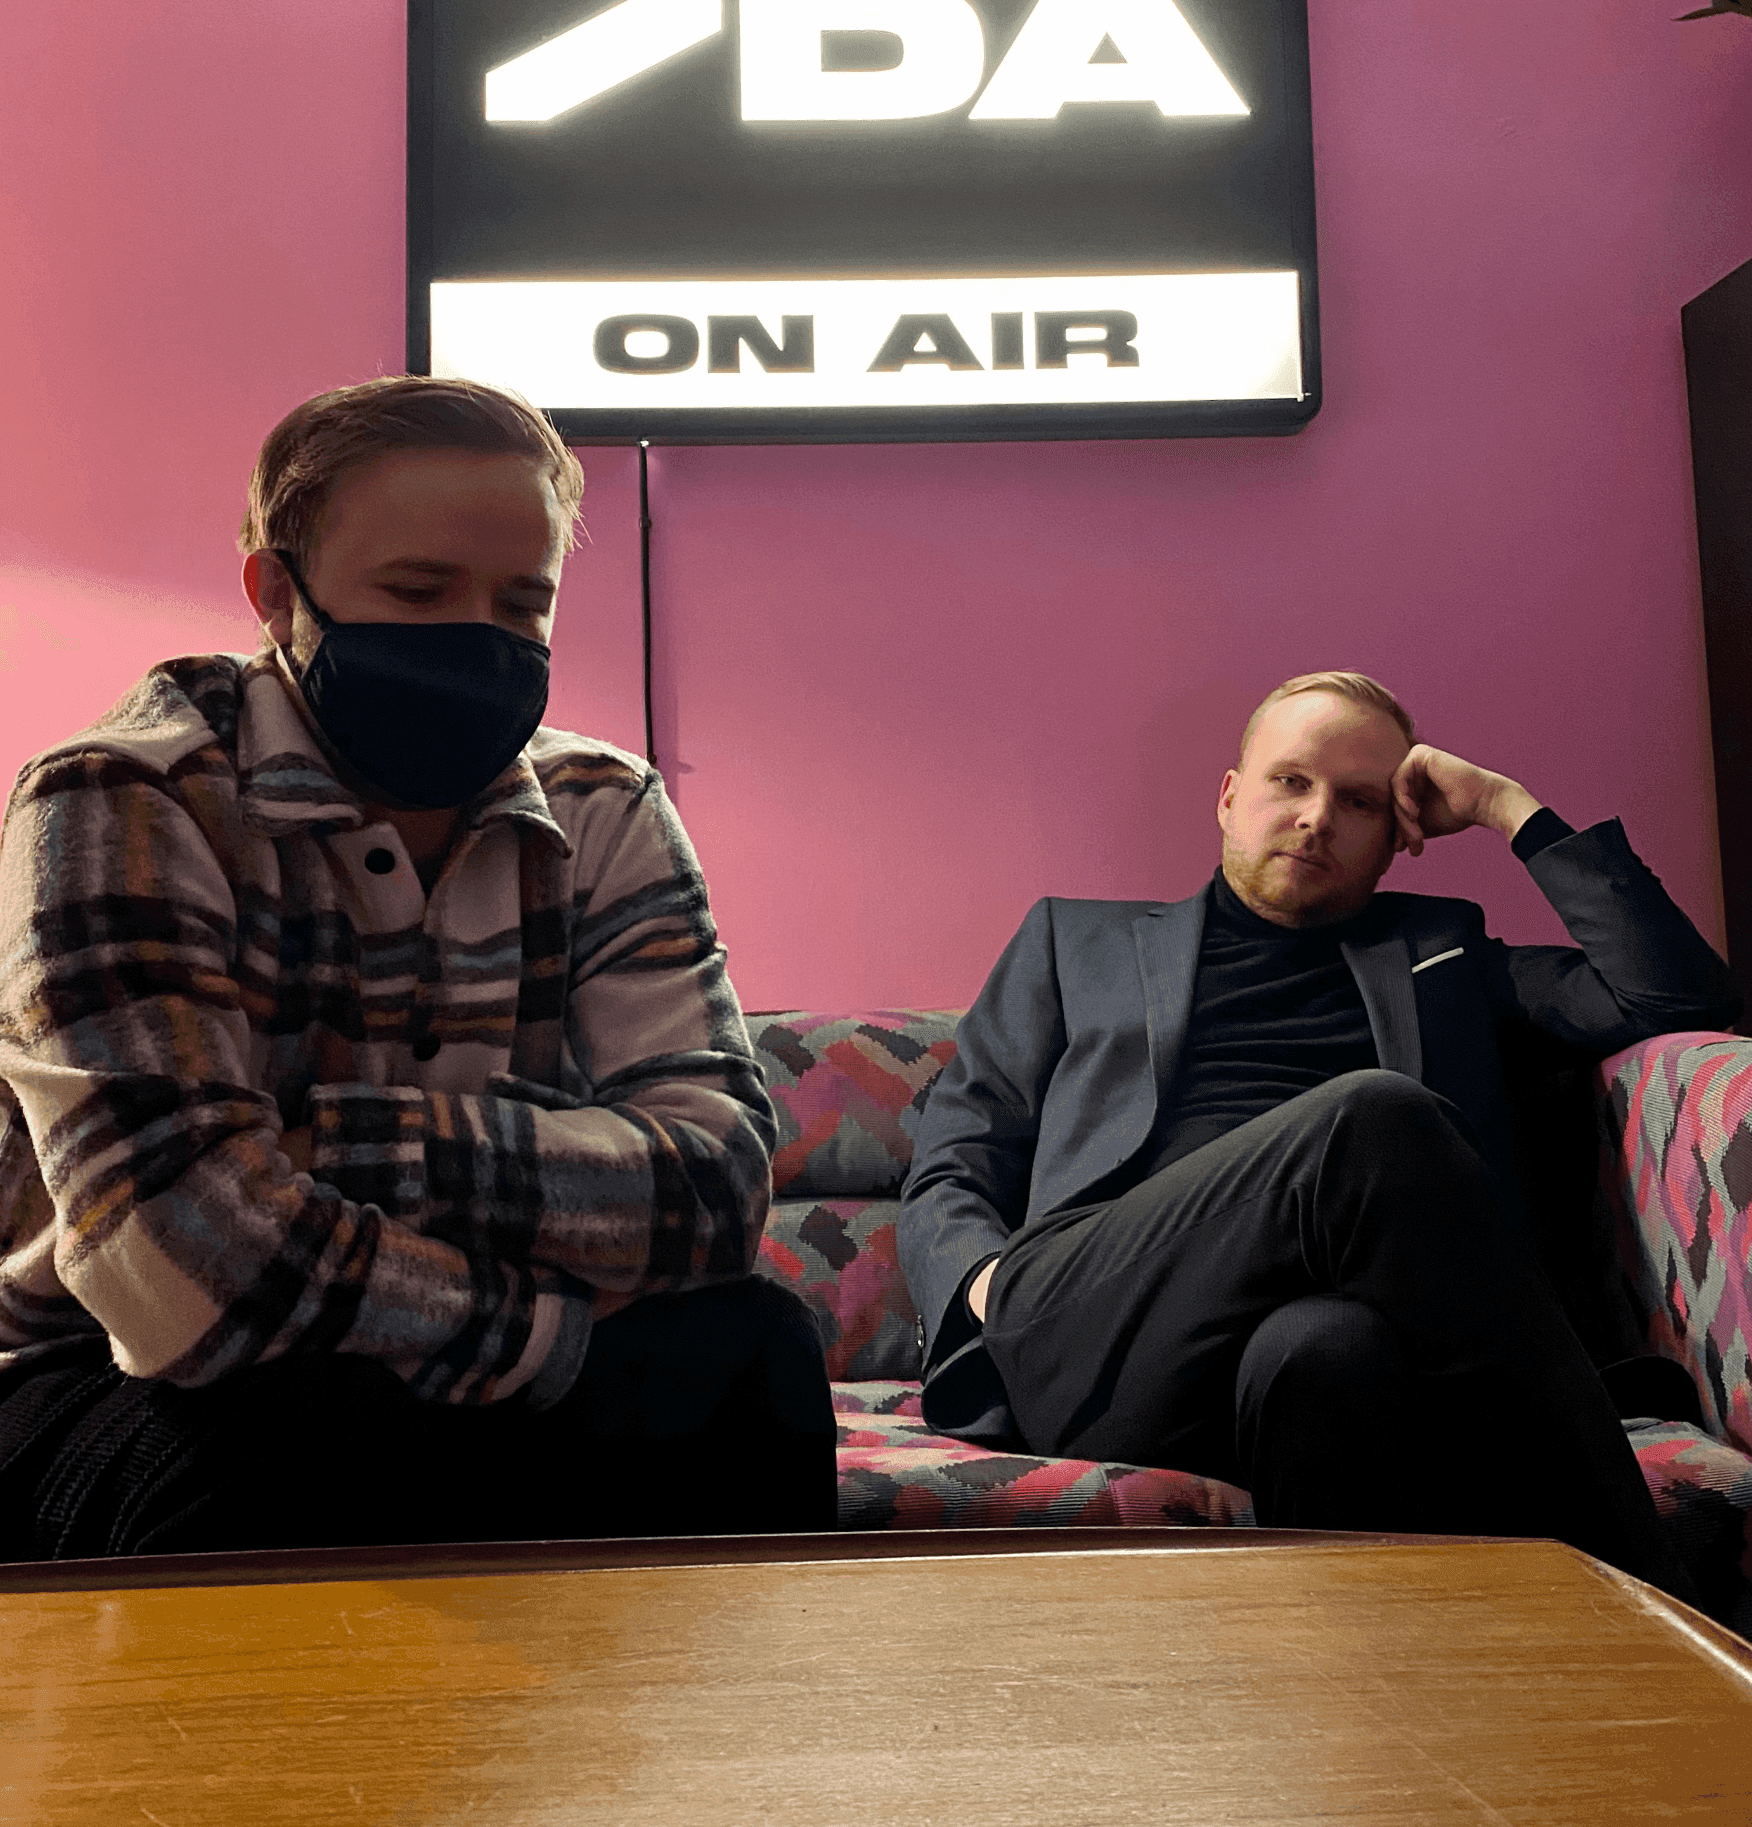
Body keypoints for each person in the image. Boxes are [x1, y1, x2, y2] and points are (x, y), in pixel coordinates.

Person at [0, 375, 836, 1559]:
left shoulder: (606, 805)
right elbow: (183, 1274)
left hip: (362, 1335)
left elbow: (718, 1191)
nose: (476, 636)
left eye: (521, 600)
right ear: (277, 592)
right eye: (418, 591)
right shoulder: (120, 794)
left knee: (753, 1350)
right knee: (303, 1432)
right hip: (110, 1372)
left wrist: (335, 1148)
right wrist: (551, 1325)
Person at [898, 671, 1739, 1603]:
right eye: (1290, 782)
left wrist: (1508, 809)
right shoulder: (1073, 942)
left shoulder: (1444, 954)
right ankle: (1649, 1606)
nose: (1316, 818)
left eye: (1359, 802)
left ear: (1397, 838)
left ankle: (1398, 1685)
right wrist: (986, 1290)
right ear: (1230, 797)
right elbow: (956, 1159)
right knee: (1371, 1117)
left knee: (1329, 1354)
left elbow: (1679, 998)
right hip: (1097, 1322)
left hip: (1302, 1347)